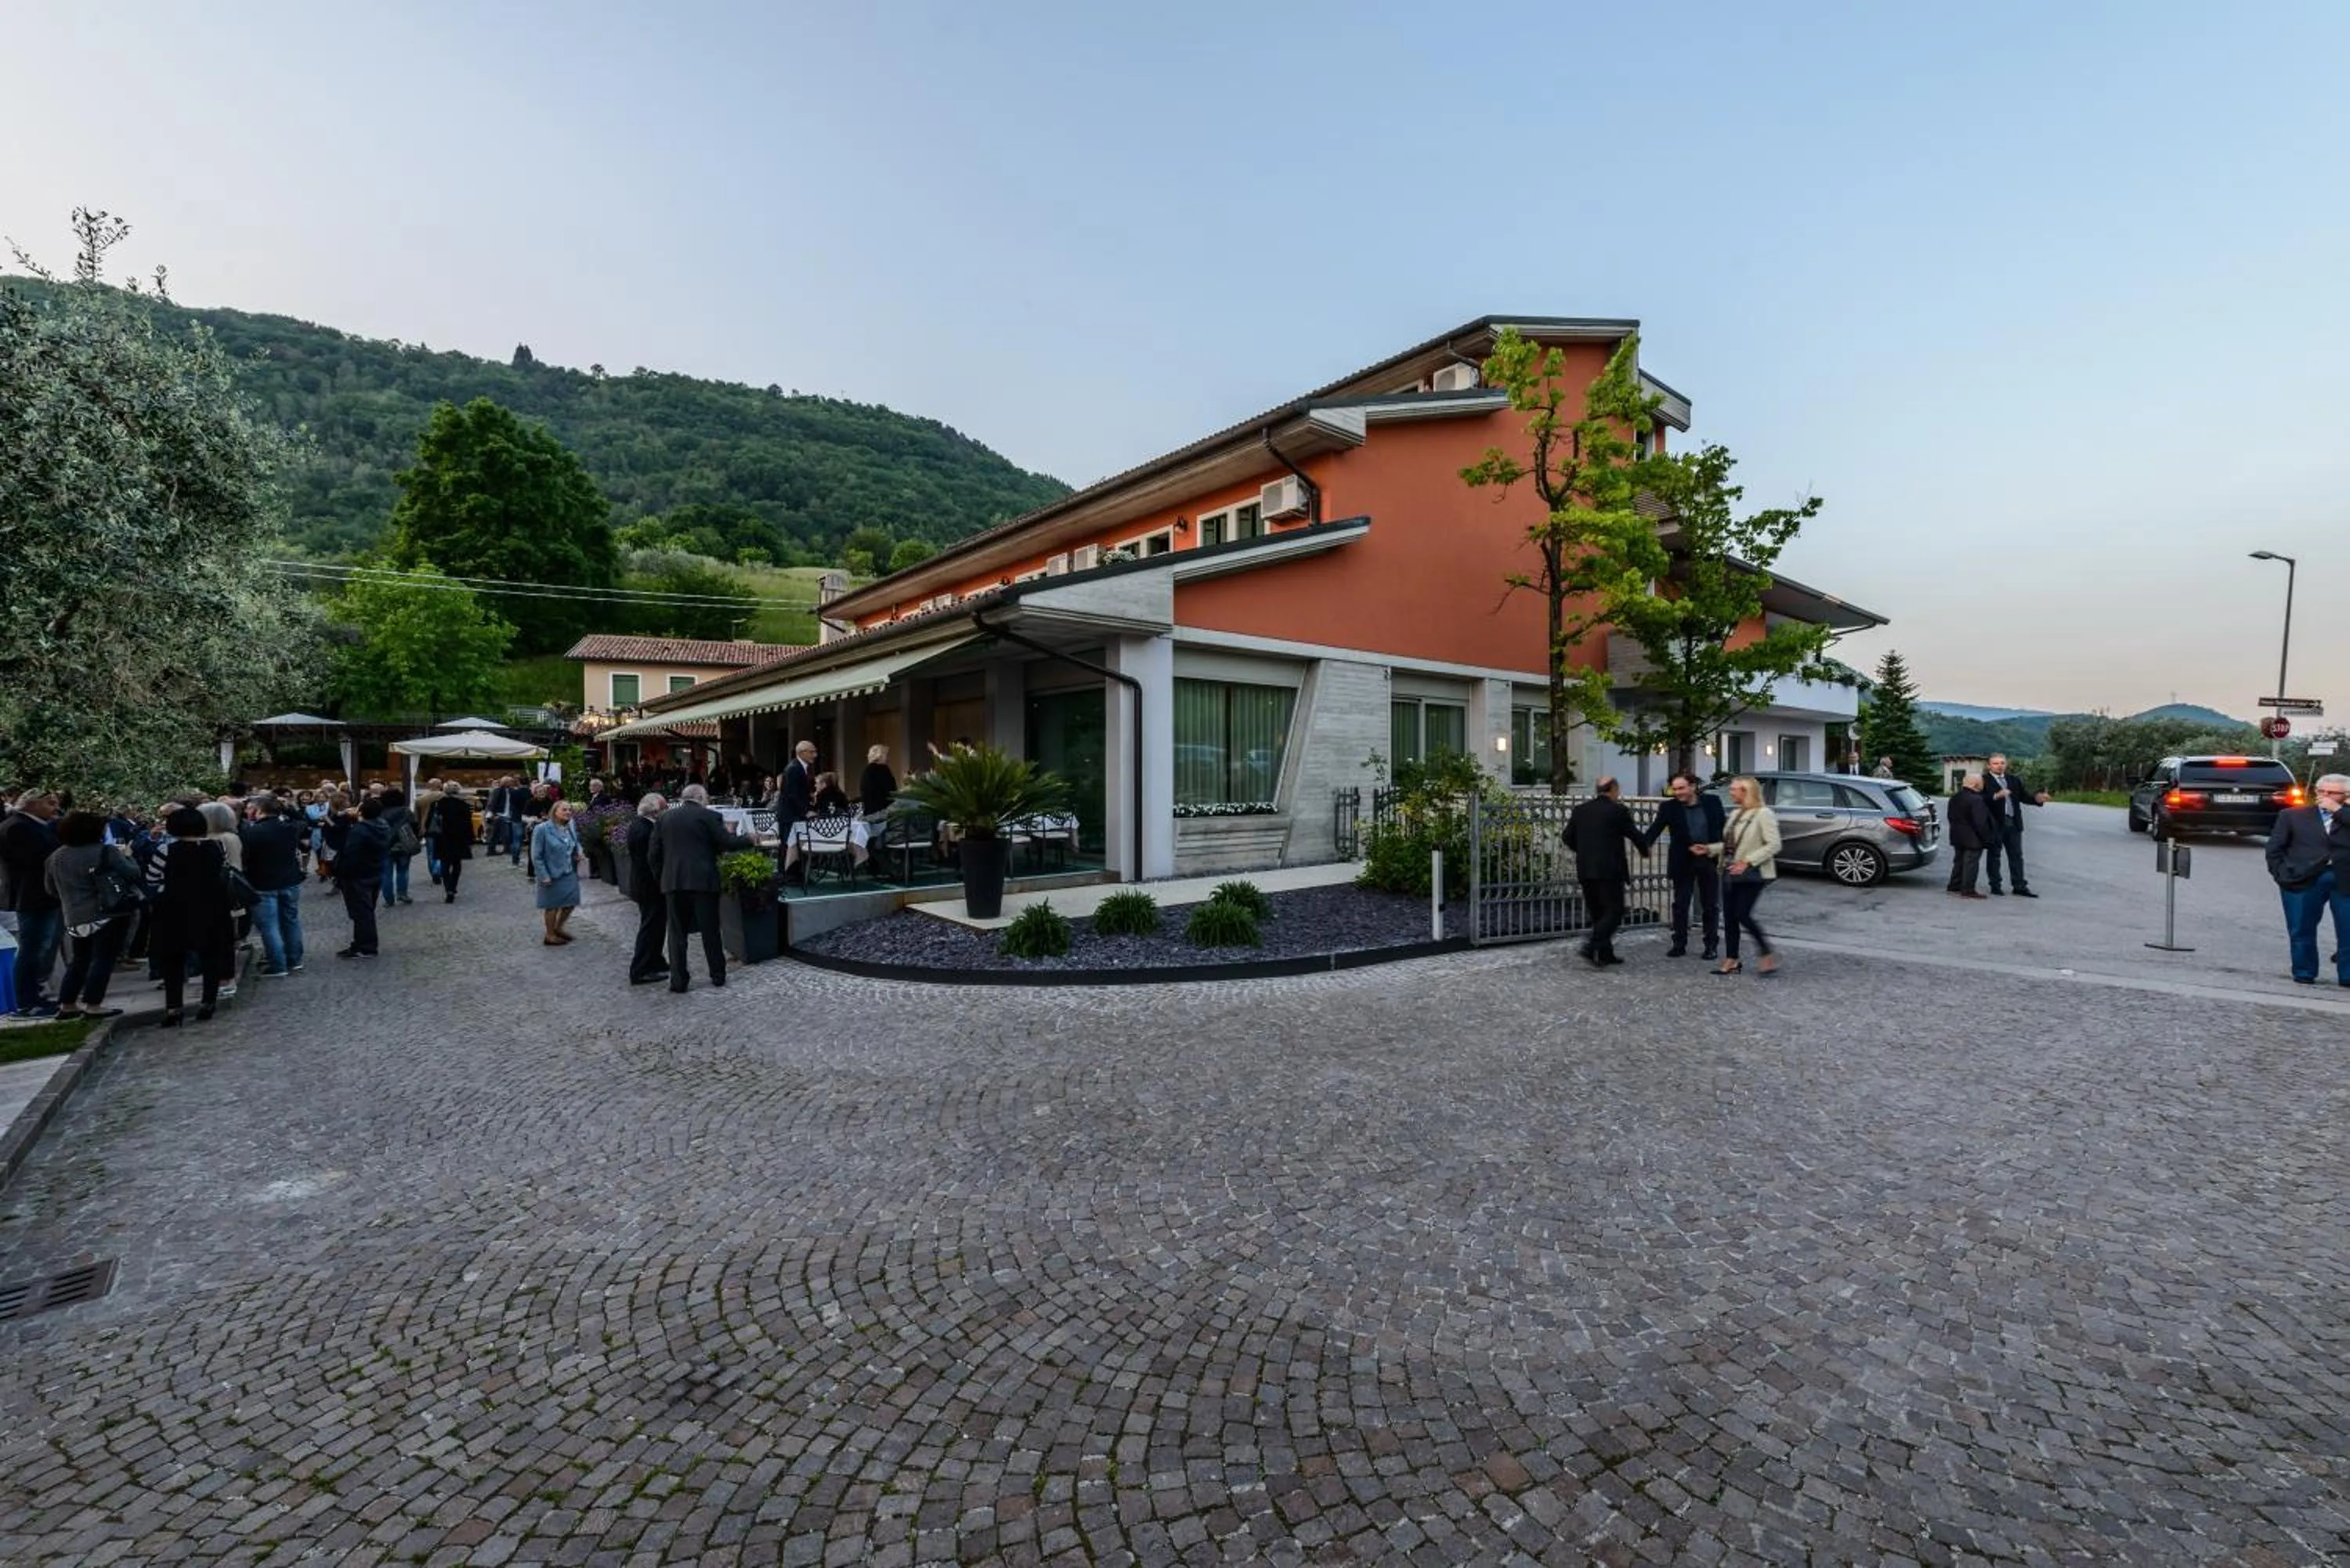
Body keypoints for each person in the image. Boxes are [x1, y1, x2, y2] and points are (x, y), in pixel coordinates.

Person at [649, 782, 754, 992]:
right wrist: (749, 839)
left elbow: (653, 853)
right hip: (702, 881)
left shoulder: (664, 818)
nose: (707, 802)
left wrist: (662, 876)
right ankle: (717, 974)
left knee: (677, 933)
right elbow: (726, 842)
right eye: (706, 798)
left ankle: (678, 981)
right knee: (710, 930)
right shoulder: (708, 816)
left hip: (674, 882)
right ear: (699, 797)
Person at [42, 810, 136, 1020]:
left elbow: (50, 890)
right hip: (107, 912)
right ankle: (93, 1004)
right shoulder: (105, 851)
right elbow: (132, 873)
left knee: (80, 960)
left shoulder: (55, 857)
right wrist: (129, 856)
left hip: (74, 916)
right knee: (103, 959)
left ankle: (67, 1003)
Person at [145, 806, 236, 1024]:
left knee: (173, 960)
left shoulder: (166, 850)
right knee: (210, 957)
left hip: (175, 910)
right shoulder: (216, 846)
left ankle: (173, 1008)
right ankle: (208, 1002)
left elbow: (152, 880)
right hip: (211, 907)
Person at [2264, 772, 2350, 987]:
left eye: (2333, 793)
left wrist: (2339, 811)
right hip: (2303, 877)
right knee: (2301, 927)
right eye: (2322, 792)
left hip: (2344, 878)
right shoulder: (2292, 815)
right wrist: (2281, 874)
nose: (2326, 796)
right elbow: (2275, 848)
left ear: (2347, 795)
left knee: (2348, 929)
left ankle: (2347, 976)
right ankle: (2304, 971)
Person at [1639, 772, 1727, 959]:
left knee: (1710, 905)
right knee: (1680, 904)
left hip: (1708, 858)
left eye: (1681, 788)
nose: (1678, 793)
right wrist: (1644, 845)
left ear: (1693, 786)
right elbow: (1656, 828)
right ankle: (1679, 943)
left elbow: (1723, 828)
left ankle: (1711, 945)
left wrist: (1718, 849)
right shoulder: (1669, 807)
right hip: (1683, 861)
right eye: (1675, 789)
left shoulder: (1713, 802)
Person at [1564, 777, 1644, 968]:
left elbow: (1567, 837)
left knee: (1598, 913)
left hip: (1586, 869)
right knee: (1615, 911)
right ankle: (1592, 946)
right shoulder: (1618, 811)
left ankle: (1605, 953)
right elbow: (1633, 833)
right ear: (1613, 789)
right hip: (1610, 870)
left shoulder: (1581, 811)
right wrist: (1644, 848)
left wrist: (1584, 851)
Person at [2, 789, 63, 1017]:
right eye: (50, 803)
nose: (55, 808)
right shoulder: (17, 826)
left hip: (42, 895)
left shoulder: (36, 825)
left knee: (41, 947)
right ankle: (26, 1000)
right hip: (32, 895)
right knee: (32, 948)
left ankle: (34, 993)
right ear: (32, 804)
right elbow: (34, 860)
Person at [1716, 776, 1783, 977]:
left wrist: (1748, 861)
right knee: (1729, 917)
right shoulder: (1736, 814)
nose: (1731, 793)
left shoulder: (1764, 814)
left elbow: (1774, 844)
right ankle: (1732, 959)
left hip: (1752, 873)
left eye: (1735, 790)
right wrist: (1709, 849)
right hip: (1729, 871)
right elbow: (1730, 846)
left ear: (1747, 792)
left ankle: (1766, 952)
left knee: (1741, 913)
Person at [240, 793, 308, 976]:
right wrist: (287, 807)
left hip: (263, 882)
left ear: (259, 810)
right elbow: (301, 821)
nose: (247, 812)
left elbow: (245, 858)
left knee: (269, 925)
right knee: (290, 921)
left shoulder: (251, 832)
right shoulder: (288, 828)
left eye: (250, 809)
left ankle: (278, 964)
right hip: (289, 879)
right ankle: (294, 960)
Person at [1982, 753, 2048, 897]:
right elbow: (1979, 799)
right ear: (1989, 766)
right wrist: (1995, 796)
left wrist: (2037, 799)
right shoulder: (1984, 781)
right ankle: (1995, 885)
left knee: (2016, 855)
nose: (2000, 766)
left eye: (2002, 763)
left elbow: (2023, 797)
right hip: (1995, 824)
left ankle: (2019, 886)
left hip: (2013, 823)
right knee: (1994, 855)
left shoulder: (2013, 780)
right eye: (1996, 763)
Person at [334, 797, 392, 958]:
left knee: (362, 912)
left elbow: (351, 854)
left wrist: (341, 872)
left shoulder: (359, 830)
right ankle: (361, 943)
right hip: (375, 871)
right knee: (366, 910)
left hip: (357, 875)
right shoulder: (383, 826)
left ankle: (366, 946)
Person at [624, 793, 671, 986]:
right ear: (654, 812)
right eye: (664, 809)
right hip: (650, 886)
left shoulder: (639, 825)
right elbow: (653, 860)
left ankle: (655, 961)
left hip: (645, 884)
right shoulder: (645, 830)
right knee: (650, 927)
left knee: (656, 925)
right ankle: (641, 969)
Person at [531, 799, 584, 945]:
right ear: (554, 812)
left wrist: (579, 852)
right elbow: (536, 855)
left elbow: (576, 843)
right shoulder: (542, 829)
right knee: (552, 905)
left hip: (569, 871)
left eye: (569, 810)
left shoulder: (571, 825)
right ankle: (549, 935)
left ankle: (558, 928)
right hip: (551, 873)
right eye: (564, 810)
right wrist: (544, 876)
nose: (568, 813)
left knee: (571, 902)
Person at [1943, 773, 1994, 900]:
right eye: (1981, 782)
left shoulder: (1955, 797)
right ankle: (1968, 889)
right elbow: (1980, 822)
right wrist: (1986, 838)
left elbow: (1950, 816)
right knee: (1971, 863)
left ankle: (1954, 885)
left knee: (1959, 861)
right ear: (1975, 784)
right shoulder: (1976, 800)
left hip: (1957, 834)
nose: (1983, 784)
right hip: (1973, 837)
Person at [427, 783, 475, 901]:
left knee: (444, 863)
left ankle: (448, 887)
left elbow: (430, 822)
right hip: (459, 838)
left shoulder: (437, 804)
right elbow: (468, 823)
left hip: (443, 837)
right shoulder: (463, 805)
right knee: (457, 864)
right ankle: (453, 886)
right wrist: (470, 839)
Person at [779, 740, 818, 883]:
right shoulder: (794, 768)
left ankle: (794, 874)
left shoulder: (800, 768)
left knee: (795, 844)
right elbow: (792, 794)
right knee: (788, 844)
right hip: (790, 815)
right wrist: (805, 812)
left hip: (793, 814)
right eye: (812, 752)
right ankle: (787, 875)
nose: (815, 755)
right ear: (802, 753)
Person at [379, 787, 418, 906]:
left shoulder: (381, 812)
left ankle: (388, 899)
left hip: (385, 845)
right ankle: (402, 893)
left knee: (386, 873)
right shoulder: (406, 811)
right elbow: (414, 826)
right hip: (403, 844)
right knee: (403, 870)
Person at [859, 744, 898, 817]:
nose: (887, 758)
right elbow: (891, 791)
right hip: (884, 814)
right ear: (880, 755)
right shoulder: (883, 770)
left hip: (869, 812)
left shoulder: (867, 770)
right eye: (886, 754)